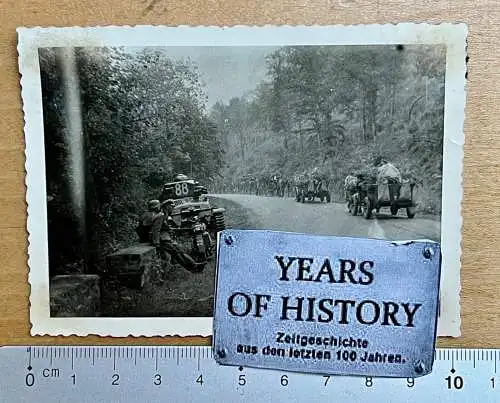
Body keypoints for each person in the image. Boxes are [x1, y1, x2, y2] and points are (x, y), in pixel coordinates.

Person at [136, 199, 206, 273]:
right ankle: (192, 267)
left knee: (178, 251)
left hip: (158, 238)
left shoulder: (149, 215)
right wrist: (156, 242)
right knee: (176, 252)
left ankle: (194, 265)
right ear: (157, 207)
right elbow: (156, 230)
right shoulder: (160, 215)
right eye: (171, 206)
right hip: (161, 239)